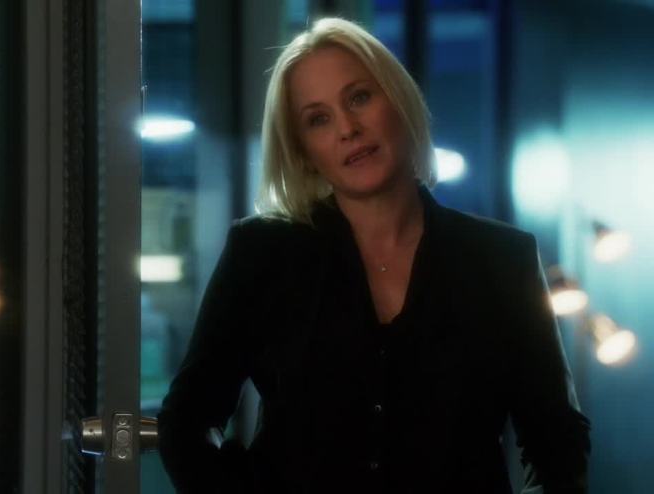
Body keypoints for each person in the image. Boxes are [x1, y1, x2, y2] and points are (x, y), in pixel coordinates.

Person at [157, 17, 591, 494]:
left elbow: (557, 443)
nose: (348, 128)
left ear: (399, 100)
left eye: (359, 97)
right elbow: (187, 421)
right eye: (318, 119)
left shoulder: (502, 259)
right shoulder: (261, 253)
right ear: (303, 150)